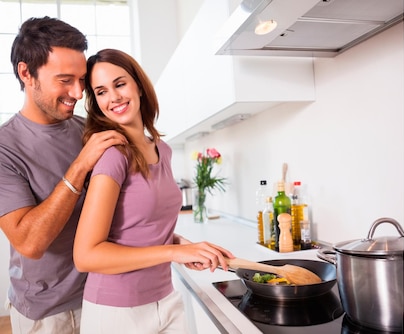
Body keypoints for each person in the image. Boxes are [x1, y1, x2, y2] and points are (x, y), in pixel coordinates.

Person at [73, 48, 235, 333]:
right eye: (101, 92)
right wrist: (172, 254)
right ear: (96, 103)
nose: (113, 98)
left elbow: (140, 228)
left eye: (120, 84)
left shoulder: (163, 149)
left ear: (138, 85)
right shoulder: (113, 156)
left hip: (165, 299)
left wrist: (180, 244)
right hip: (116, 311)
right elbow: (86, 256)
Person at [0, 17, 128, 333]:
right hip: (48, 312)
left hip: (105, 294)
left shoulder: (89, 130)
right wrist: (80, 165)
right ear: (26, 73)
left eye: (82, 80)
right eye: (65, 80)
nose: (77, 91)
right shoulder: (5, 147)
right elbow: (30, 243)